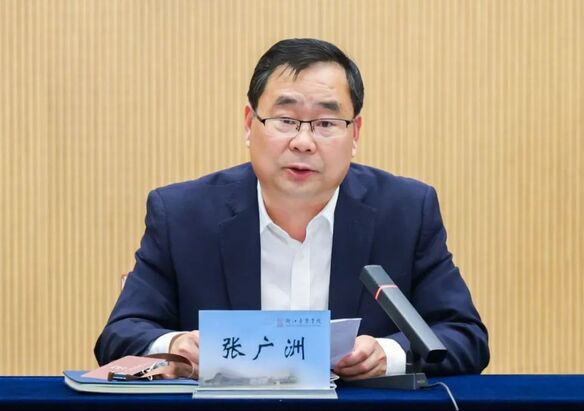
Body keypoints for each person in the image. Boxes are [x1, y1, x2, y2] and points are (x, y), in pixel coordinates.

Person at [95, 38, 489, 379]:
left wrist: (390, 354)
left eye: (326, 123)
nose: (303, 142)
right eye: (285, 120)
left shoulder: (405, 211)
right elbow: (120, 335)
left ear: (355, 134)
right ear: (249, 124)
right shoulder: (182, 214)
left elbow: (464, 336)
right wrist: (175, 346)